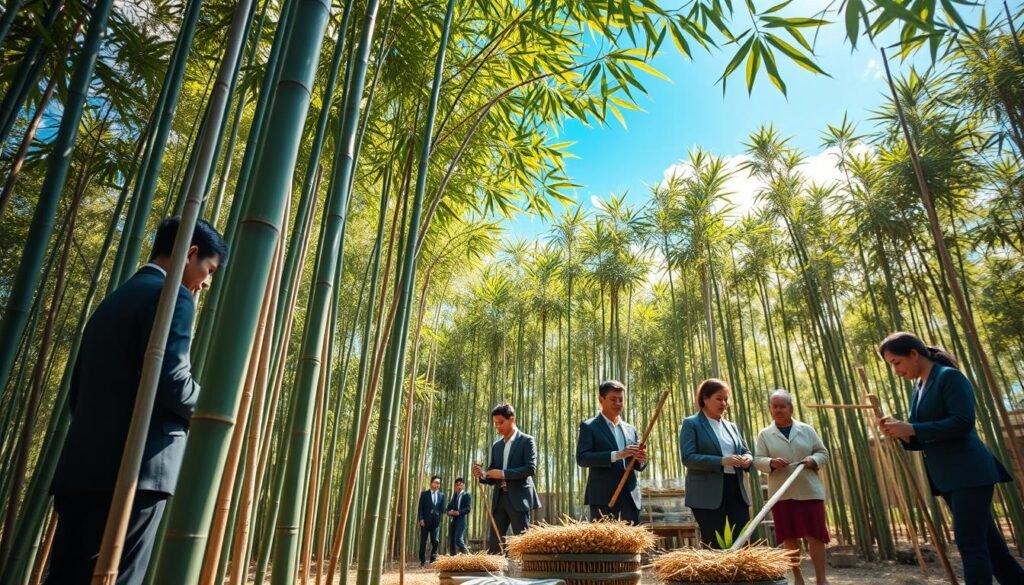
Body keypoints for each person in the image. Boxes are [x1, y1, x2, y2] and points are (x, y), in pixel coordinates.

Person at [46, 217, 227, 585]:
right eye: (208, 270)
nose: (207, 283)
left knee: (66, 575)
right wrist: (212, 409)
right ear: (190, 253)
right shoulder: (172, 296)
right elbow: (172, 381)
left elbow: (78, 390)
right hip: (137, 471)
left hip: (81, 467)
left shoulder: (113, 300)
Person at [878, 332, 1024, 585]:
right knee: (991, 546)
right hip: (947, 476)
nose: (896, 370)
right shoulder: (918, 387)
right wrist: (902, 433)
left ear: (914, 353)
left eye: (896, 362)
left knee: (969, 544)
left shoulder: (949, 377)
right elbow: (924, 436)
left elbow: (963, 422)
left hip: (969, 471)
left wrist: (912, 428)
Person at [754, 389, 830, 585]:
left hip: (809, 490)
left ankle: (821, 579)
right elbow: (758, 459)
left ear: (791, 408)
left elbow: (823, 453)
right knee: (789, 536)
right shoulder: (765, 434)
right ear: (770, 409)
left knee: (816, 535)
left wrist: (813, 460)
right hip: (782, 493)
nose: (778, 410)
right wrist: (771, 462)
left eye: (782, 406)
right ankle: (797, 578)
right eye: (774, 406)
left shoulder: (806, 430)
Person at [679, 378, 753, 548]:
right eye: (719, 399)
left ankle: (740, 567)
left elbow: (746, 451)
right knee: (714, 543)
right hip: (707, 493)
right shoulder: (691, 424)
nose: (724, 404)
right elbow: (688, 457)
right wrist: (721, 461)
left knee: (741, 540)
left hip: (735, 488)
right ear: (705, 399)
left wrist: (748, 459)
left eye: (726, 399)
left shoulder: (731, 426)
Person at [576, 380, 648, 523]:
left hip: (630, 497)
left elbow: (637, 464)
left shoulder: (630, 429)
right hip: (603, 497)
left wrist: (641, 460)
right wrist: (617, 455)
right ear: (601, 399)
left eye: (621, 399)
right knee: (603, 538)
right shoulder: (589, 427)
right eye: (613, 399)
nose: (618, 403)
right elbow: (583, 458)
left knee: (632, 537)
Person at [473, 403, 541, 554]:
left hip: (519, 498)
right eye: (495, 423)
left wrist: (503, 474)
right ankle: (496, 569)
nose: (497, 427)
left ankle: (525, 569)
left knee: (522, 542)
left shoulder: (527, 441)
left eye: (500, 422)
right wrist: (483, 474)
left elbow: (530, 468)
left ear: (512, 419)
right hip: (499, 499)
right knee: (495, 544)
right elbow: (492, 475)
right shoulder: (497, 446)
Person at [417, 475, 445, 567]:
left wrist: (442, 516)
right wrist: (421, 519)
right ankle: (422, 561)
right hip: (425, 521)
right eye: (436, 482)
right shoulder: (424, 494)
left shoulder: (442, 495)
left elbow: (442, 508)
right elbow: (420, 508)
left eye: (439, 483)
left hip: (435, 522)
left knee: (435, 541)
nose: (438, 485)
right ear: (431, 483)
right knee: (423, 541)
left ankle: (433, 560)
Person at [446, 477, 472, 555]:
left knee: (458, 539)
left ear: (463, 485)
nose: (458, 486)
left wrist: (459, 512)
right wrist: (448, 512)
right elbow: (449, 506)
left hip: (461, 519)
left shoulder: (466, 495)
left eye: (460, 484)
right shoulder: (454, 496)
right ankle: (453, 557)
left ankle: (467, 554)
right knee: (452, 540)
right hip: (454, 519)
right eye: (457, 485)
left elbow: (468, 508)